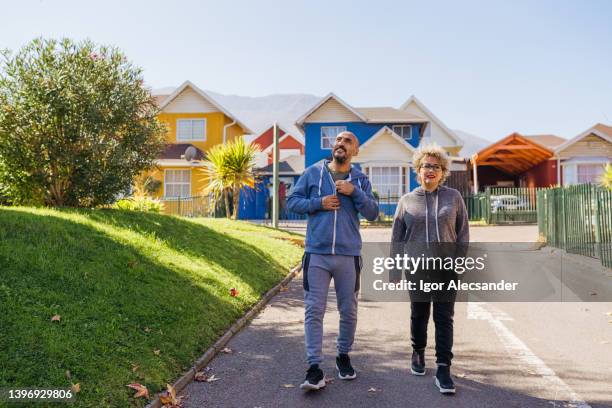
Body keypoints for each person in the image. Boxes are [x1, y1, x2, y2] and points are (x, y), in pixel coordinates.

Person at [287, 131, 379, 391]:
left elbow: (372, 213)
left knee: (348, 309)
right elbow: (292, 201)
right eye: (338, 140)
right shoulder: (313, 173)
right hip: (316, 253)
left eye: (348, 141)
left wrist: (354, 192)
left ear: (355, 151)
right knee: (313, 309)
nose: (341, 143)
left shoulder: (360, 179)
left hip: (348, 255)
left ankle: (343, 356)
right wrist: (319, 202)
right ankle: (314, 367)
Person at [390, 143, 469, 395]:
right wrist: (393, 270)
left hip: (446, 268)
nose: (430, 170)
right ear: (418, 170)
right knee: (419, 313)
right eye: (426, 165)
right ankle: (418, 351)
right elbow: (397, 238)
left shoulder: (453, 197)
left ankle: (444, 367)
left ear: (443, 171)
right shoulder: (406, 201)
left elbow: (463, 233)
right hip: (417, 267)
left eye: (436, 166)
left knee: (444, 317)